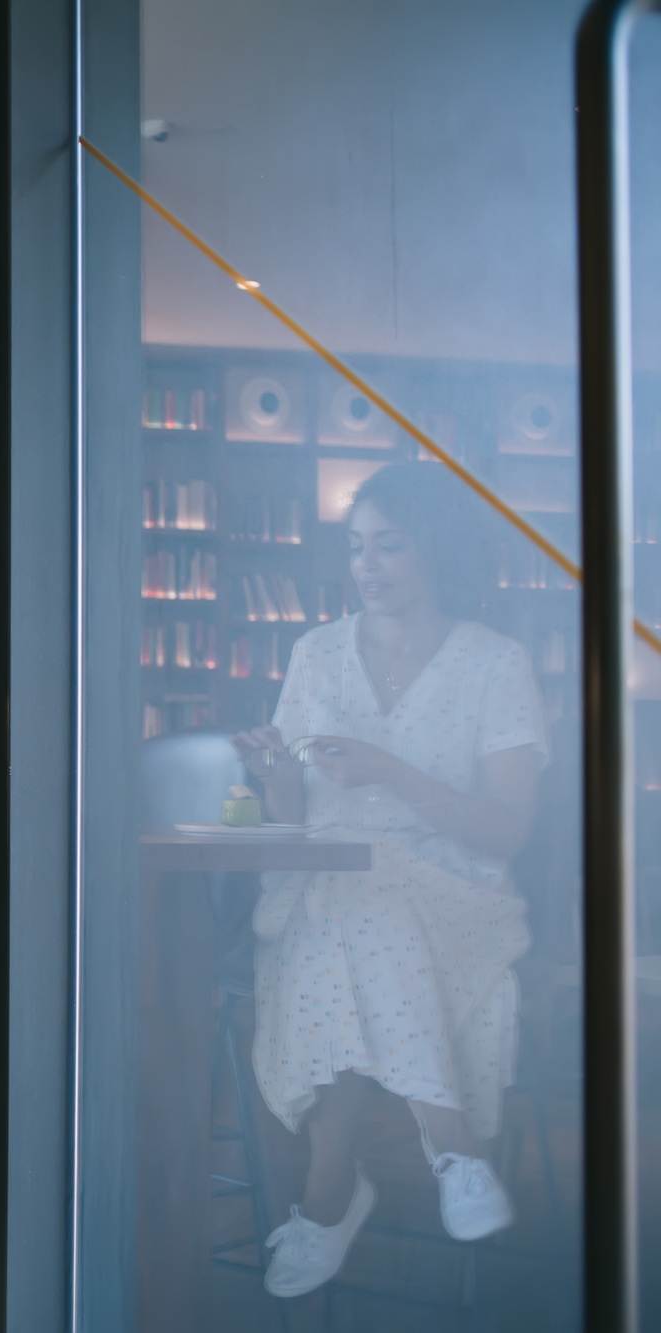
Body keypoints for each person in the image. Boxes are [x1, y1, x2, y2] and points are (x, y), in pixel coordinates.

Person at [229, 463, 543, 1298]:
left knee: (363, 911)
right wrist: (276, 780)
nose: (367, 564)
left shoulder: (495, 664)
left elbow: (508, 827)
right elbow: (295, 816)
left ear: (435, 545)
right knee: (349, 901)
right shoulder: (315, 653)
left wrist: (388, 772)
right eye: (357, 546)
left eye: (389, 545)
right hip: (325, 883)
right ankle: (456, 1151)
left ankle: (329, 1195)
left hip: (457, 892)